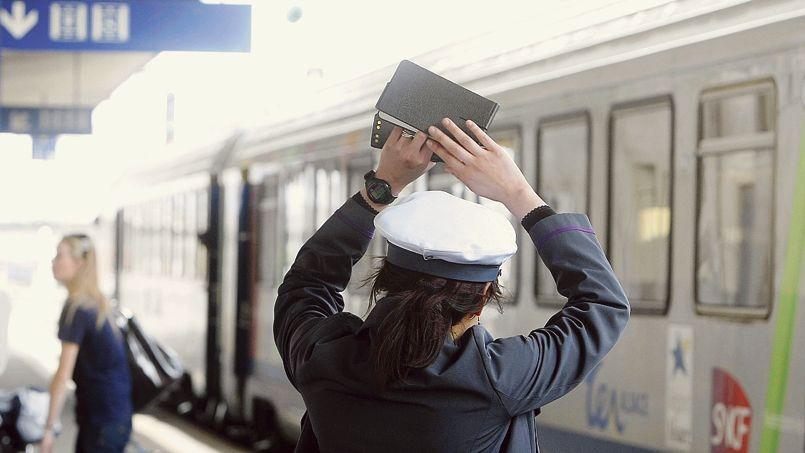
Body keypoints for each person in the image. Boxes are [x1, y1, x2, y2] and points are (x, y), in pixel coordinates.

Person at [274, 119, 630, 452]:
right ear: (482, 300)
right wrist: (517, 192)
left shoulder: (322, 357)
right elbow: (602, 305)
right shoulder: (499, 379)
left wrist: (382, 185)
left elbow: (307, 284)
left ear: (386, 279)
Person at [43, 234, 132, 453]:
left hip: (101, 421)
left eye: (59, 256)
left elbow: (62, 376)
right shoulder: (96, 303)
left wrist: (48, 428)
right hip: (114, 417)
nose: (53, 262)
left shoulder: (77, 309)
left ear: (79, 264)